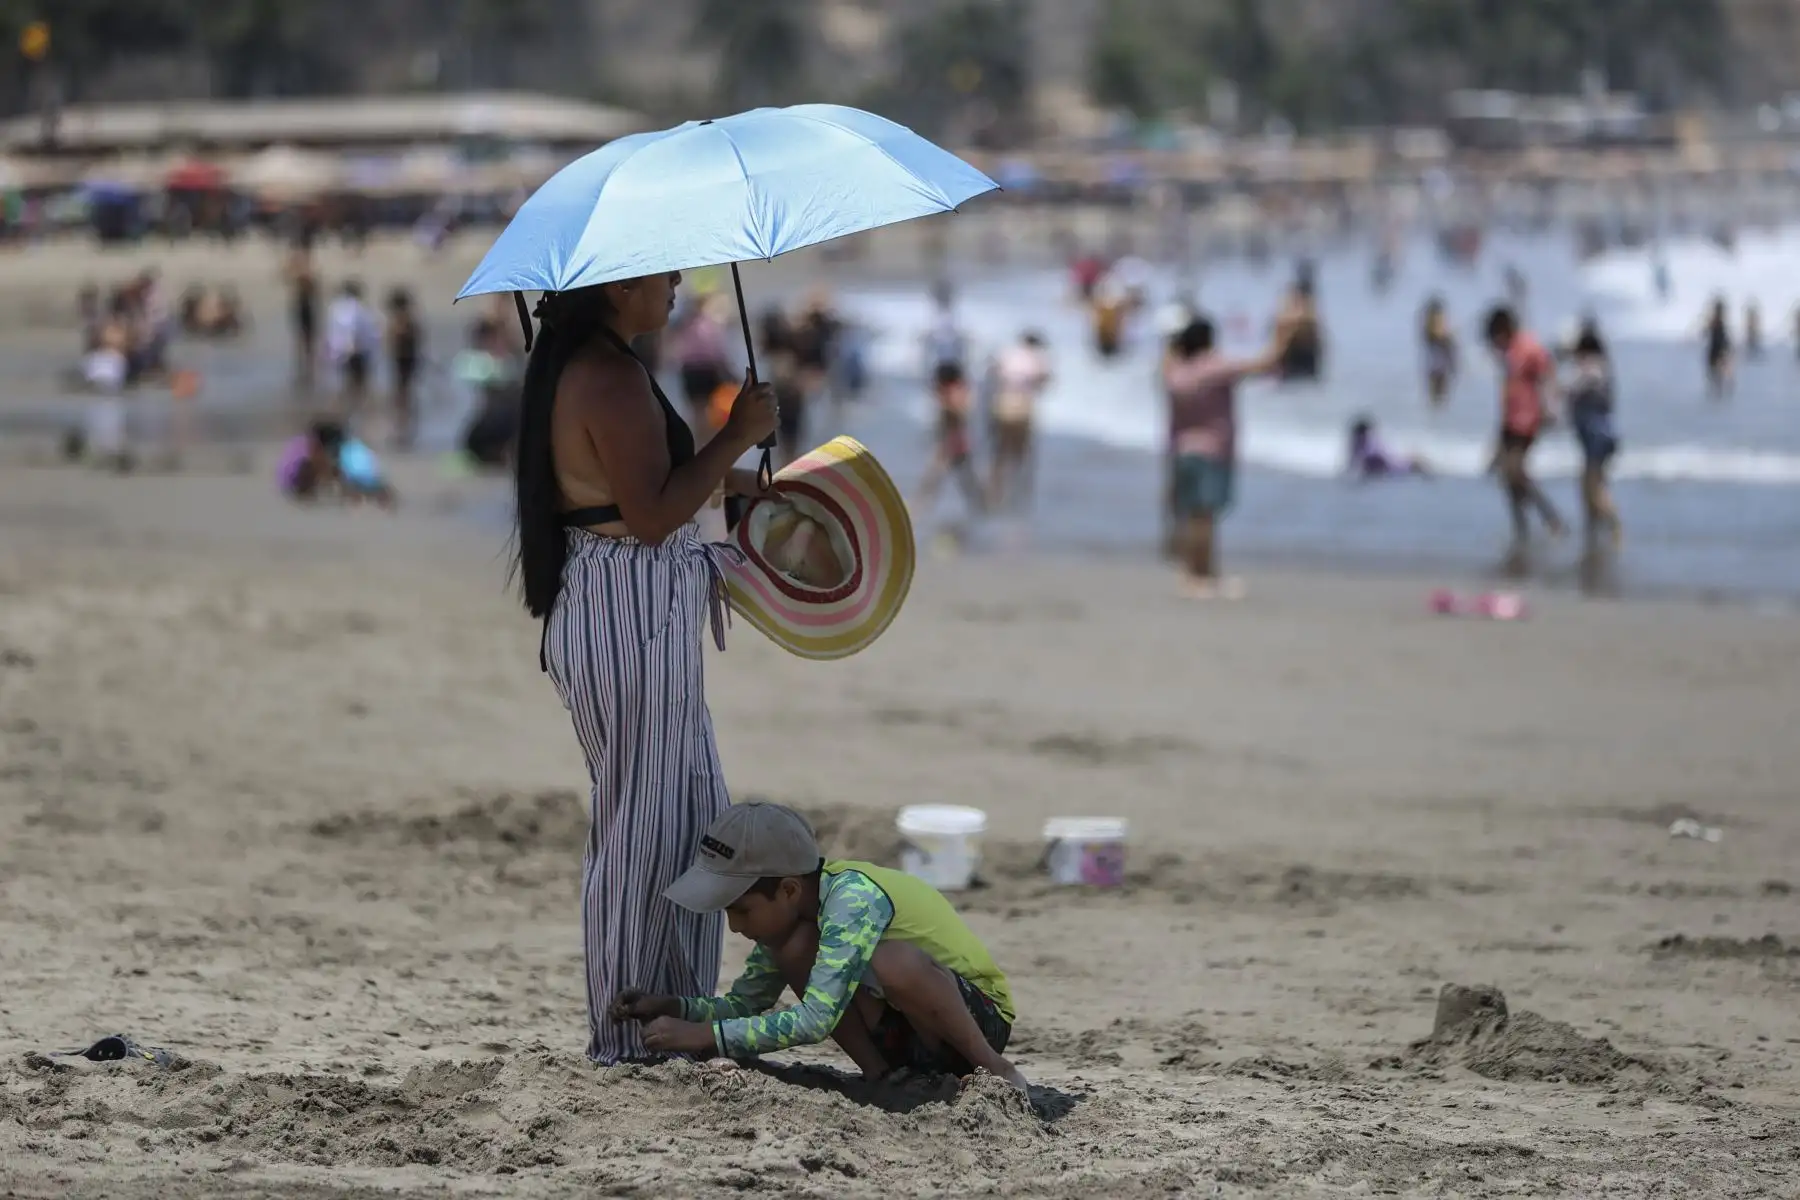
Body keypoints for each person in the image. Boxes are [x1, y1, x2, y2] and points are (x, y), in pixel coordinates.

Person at [512, 272, 777, 1065]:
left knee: (679, 814)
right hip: (630, 613)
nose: (673, 289)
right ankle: (630, 1035)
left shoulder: (589, 365)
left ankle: (669, 1020)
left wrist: (728, 472)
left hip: (618, 606)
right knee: (645, 830)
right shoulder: (610, 376)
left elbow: (642, 499)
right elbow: (654, 517)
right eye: (662, 277)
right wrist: (736, 432)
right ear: (618, 285)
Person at [609, 803, 1026, 1091]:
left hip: (977, 1022)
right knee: (794, 948)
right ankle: (883, 1079)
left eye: (741, 910)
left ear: (789, 889)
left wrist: (704, 1037)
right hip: (910, 1034)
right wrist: (675, 1007)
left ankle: (996, 1070)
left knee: (894, 960)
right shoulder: (793, 925)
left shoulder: (852, 898)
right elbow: (742, 1006)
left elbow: (815, 1019)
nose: (734, 927)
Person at [1163, 313, 1293, 598]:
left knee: (1192, 516)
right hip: (1212, 450)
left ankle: (1198, 572)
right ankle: (1199, 577)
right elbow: (1265, 363)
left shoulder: (1175, 374)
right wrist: (1284, 330)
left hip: (1182, 450)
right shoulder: (1214, 368)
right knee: (1205, 517)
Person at [1483, 305, 1567, 552]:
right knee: (1507, 478)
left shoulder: (1528, 347)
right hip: (1510, 420)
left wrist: (1550, 410)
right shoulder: (1509, 352)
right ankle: (1521, 527)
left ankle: (1551, 519)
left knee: (1515, 472)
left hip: (1528, 419)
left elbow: (1548, 374)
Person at [1563, 326, 1622, 548]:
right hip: (1599, 436)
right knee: (1590, 484)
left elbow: (1569, 388)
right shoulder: (1603, 370)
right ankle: (1594, 536)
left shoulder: (1593, 369)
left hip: (1597, 437)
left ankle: (1614, 528)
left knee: (1593, 487)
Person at [987, 331, 1051, 511]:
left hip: (1002, 405)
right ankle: (1018, 494)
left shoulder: (1007, 354)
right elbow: (1044, 382)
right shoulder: (1038, 359)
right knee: (1021, 453)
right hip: (1022, 408)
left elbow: (993, 372)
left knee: (1000, 452)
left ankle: (995, 492)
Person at [917, 360, 985, 515]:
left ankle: (916, 510)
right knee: (967, 482)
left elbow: (959, 413)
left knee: (932, 481)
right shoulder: (957, 391)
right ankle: (982, 510)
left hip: (953, 444)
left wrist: (945, 403)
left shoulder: (954, 393)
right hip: (954, 442)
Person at [672, 293, 734, 428]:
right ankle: (706, 437)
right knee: (708, 408)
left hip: (692, 369)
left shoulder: (685, 324)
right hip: (705, 369)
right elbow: (718, 351)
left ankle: (700, 438)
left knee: (698, 409)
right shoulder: (709, 324)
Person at [324, 281, 380, 412]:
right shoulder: (361, 309)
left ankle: (345, 410)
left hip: (338, 352)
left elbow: (330, 332)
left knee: (342, 384)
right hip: (357, 350)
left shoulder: (335, 308)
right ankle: (357, 410)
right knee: (359, 385)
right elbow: (363, 332)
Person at [386, 287, 422, 446]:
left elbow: (396, 340)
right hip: (403, 362)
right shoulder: (409, 322)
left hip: (404, 363)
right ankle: (403, 427)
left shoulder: (403, 323)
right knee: (403, 396)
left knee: (403, 396)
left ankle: (402, 427)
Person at [1345, 416, 1430, 480]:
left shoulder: (1369, 443)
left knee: (1416, 465)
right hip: (1392, 468)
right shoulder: (1360, 443)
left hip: (1395, 468)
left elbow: (1380, 457)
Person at [284, 245, 318, 390]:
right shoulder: (300, 272)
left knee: (307, 338)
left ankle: (307, 367)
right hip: (302, 306)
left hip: (306, 305)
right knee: (302, 337)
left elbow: (312, 287)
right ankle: (304, 367)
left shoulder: (307, 272)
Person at [1421, 296, 1457, 408]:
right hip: (1436, 369)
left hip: (1440, 369)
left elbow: (1452, 357)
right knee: (1436, 400)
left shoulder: (1446, 340)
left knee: (1440, 399)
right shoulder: (1430, 337)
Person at [1702, 296, 1732, 400]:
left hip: (1718, 352)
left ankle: (1717, 394)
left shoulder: (1719, 323)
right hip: (1715, 351)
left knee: (1718, 375)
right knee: (1714, 375)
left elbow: (1724, 338)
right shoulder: (1715, 322)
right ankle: (1715, 394)